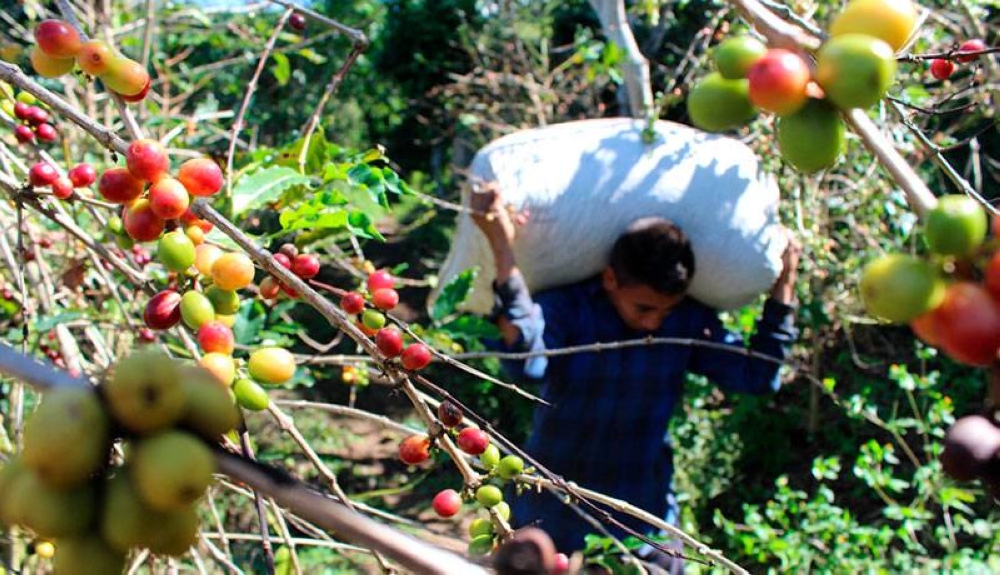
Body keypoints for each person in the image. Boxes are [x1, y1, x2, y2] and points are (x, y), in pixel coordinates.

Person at [470, 183, 799, 572]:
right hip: (552, 502)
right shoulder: (572, 308)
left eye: (665, 311)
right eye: (644, 308)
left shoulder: (686, 322)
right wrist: (502, 245)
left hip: (640, 511)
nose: (654, 323)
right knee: (524, 562)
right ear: (611, 279)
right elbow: (526, 361)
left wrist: (785, 285)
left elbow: (757, 375)